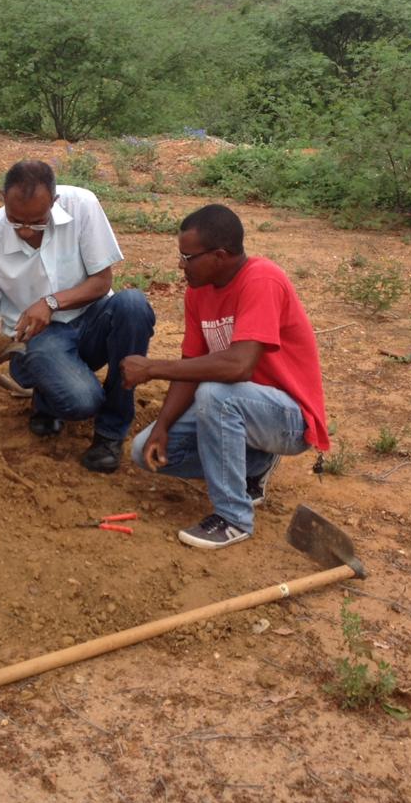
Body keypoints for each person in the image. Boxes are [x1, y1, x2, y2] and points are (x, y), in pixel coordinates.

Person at [120, 204, 330, 549]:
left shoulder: (262, 280)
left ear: (219, 255)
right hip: (239, 409)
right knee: (145, 450)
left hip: (290, 419)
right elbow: (191, 365)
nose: (180, 265)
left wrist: (152, 368)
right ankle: (254, 465)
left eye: (187, 257)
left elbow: (238, 366)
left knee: (215, 393)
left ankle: (234, 518)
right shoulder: (198, 292)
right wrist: (162, 425)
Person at [0, 160, 156, 472]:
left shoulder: (83, 206)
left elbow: (102, 281)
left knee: (133, 305)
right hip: (40, 340)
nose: (26, 231)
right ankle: (48, 396)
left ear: (54, 201)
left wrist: (50, 303)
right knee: (82, 401)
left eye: (37, 222)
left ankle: (110, 432)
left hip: (93, 320)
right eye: (15, 221)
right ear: (3, 200)